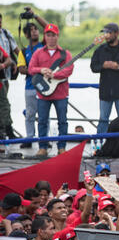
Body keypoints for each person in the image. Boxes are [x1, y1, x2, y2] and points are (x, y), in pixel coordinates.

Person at [28, 23, 74, 157]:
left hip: (61, 93)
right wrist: (41, 70)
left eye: (53, 35)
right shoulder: (38, 53)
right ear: (45, 37)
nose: (51, 38)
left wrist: (55, 75)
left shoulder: (66, 54)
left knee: (63, 121)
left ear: (57, 36)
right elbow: (31, 68)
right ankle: (42, 147)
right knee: (42, 120)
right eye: (48, 35)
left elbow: (69, 70)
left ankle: (62, 147)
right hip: (43, 95)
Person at [16, 9, 48, 148]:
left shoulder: (44, 46)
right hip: (30, 87)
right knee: (30, 114)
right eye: (32, 30)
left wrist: (35, 16)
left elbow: (48, 28)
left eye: (36, 29)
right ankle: (29, 138)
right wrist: (36, 69)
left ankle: (44, 140)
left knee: (44, 116)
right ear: (26, 34)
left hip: (45, 86)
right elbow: (21, 69)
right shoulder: (23, 51)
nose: (35, 32)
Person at [0, 12, 20, 140]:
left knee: (4, 104)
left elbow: (13, 53)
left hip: (4, 76)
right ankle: (5, 130)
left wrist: (21, 63)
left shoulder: (6, 34)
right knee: (4, 104)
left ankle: (5, 131)